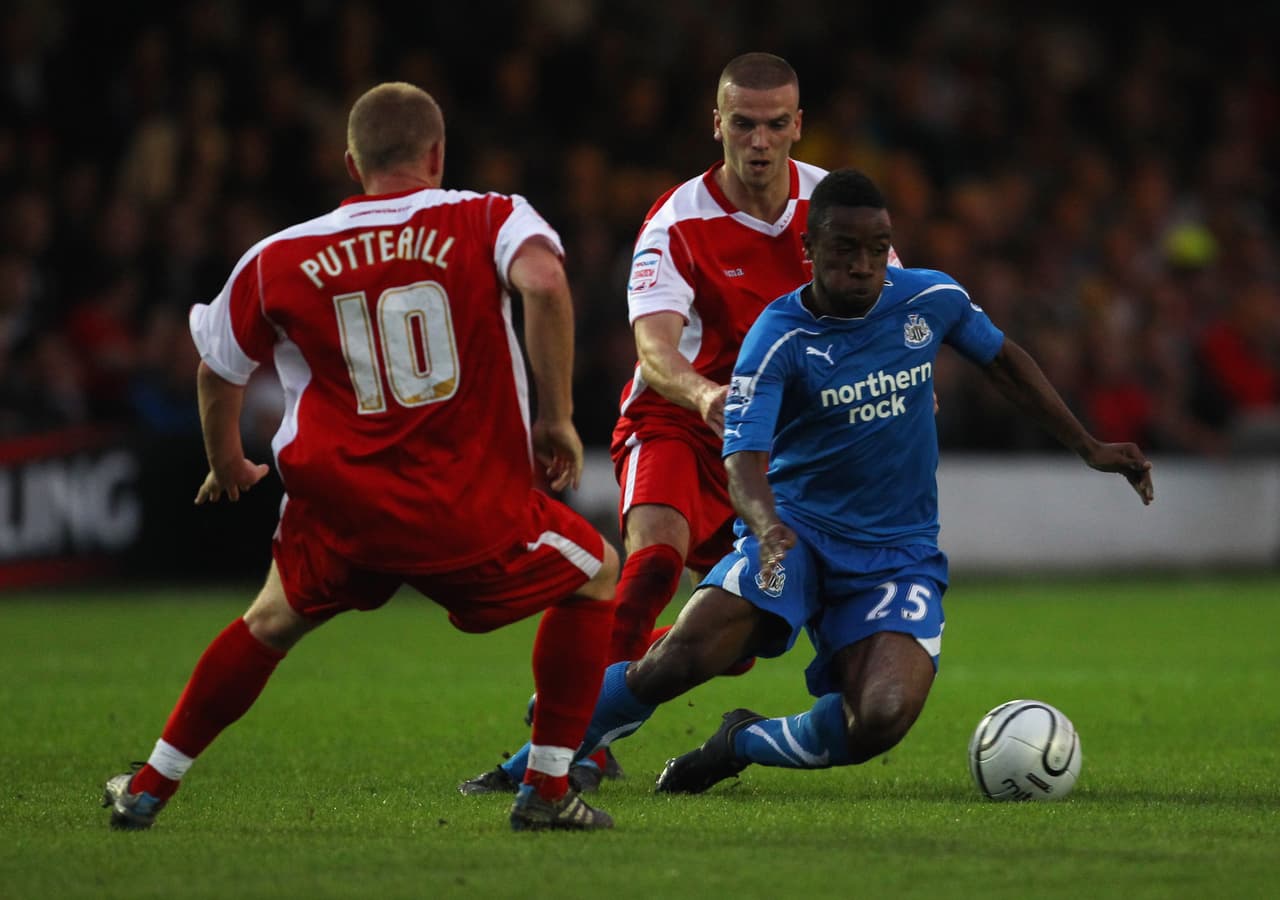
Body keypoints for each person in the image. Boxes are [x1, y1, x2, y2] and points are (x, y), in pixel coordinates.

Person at [464, 168, 1154, 796]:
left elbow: (1003, 361)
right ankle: (528, 764)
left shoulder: (931, 298)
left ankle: (741, 741)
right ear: (809, 250)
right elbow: (743, 457)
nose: (863, 265)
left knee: (880, 717)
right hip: (795, 535)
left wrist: (1088, 445)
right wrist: (766, 525)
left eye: (877, 249)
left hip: (895, 555)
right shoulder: (778, 336)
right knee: (677, 661)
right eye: (845, 250)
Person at [101, 82, 619, 833]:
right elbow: (543, 281)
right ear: (437, 154)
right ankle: (546, 788)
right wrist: (558, 418)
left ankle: (150, 784)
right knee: (597, 573)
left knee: (267, 622)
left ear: (352, 163)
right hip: (467, 506)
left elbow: (217, 367)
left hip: (343, 510)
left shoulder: (278, 255)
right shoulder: (488, 216)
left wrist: (227, 460)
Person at [461, 51, 898, 795]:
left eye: (774, 125)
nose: (759, 141)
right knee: (652, 566)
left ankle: (586, 694)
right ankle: (557, 752)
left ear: (798, 125)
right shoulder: (677, 220)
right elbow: (655, 351)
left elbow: (889, 308)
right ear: (715, 124)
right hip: (679, 423)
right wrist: (703, 396)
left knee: (740, 643)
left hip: (780, 450)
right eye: (743, 123)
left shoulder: (834, 209)